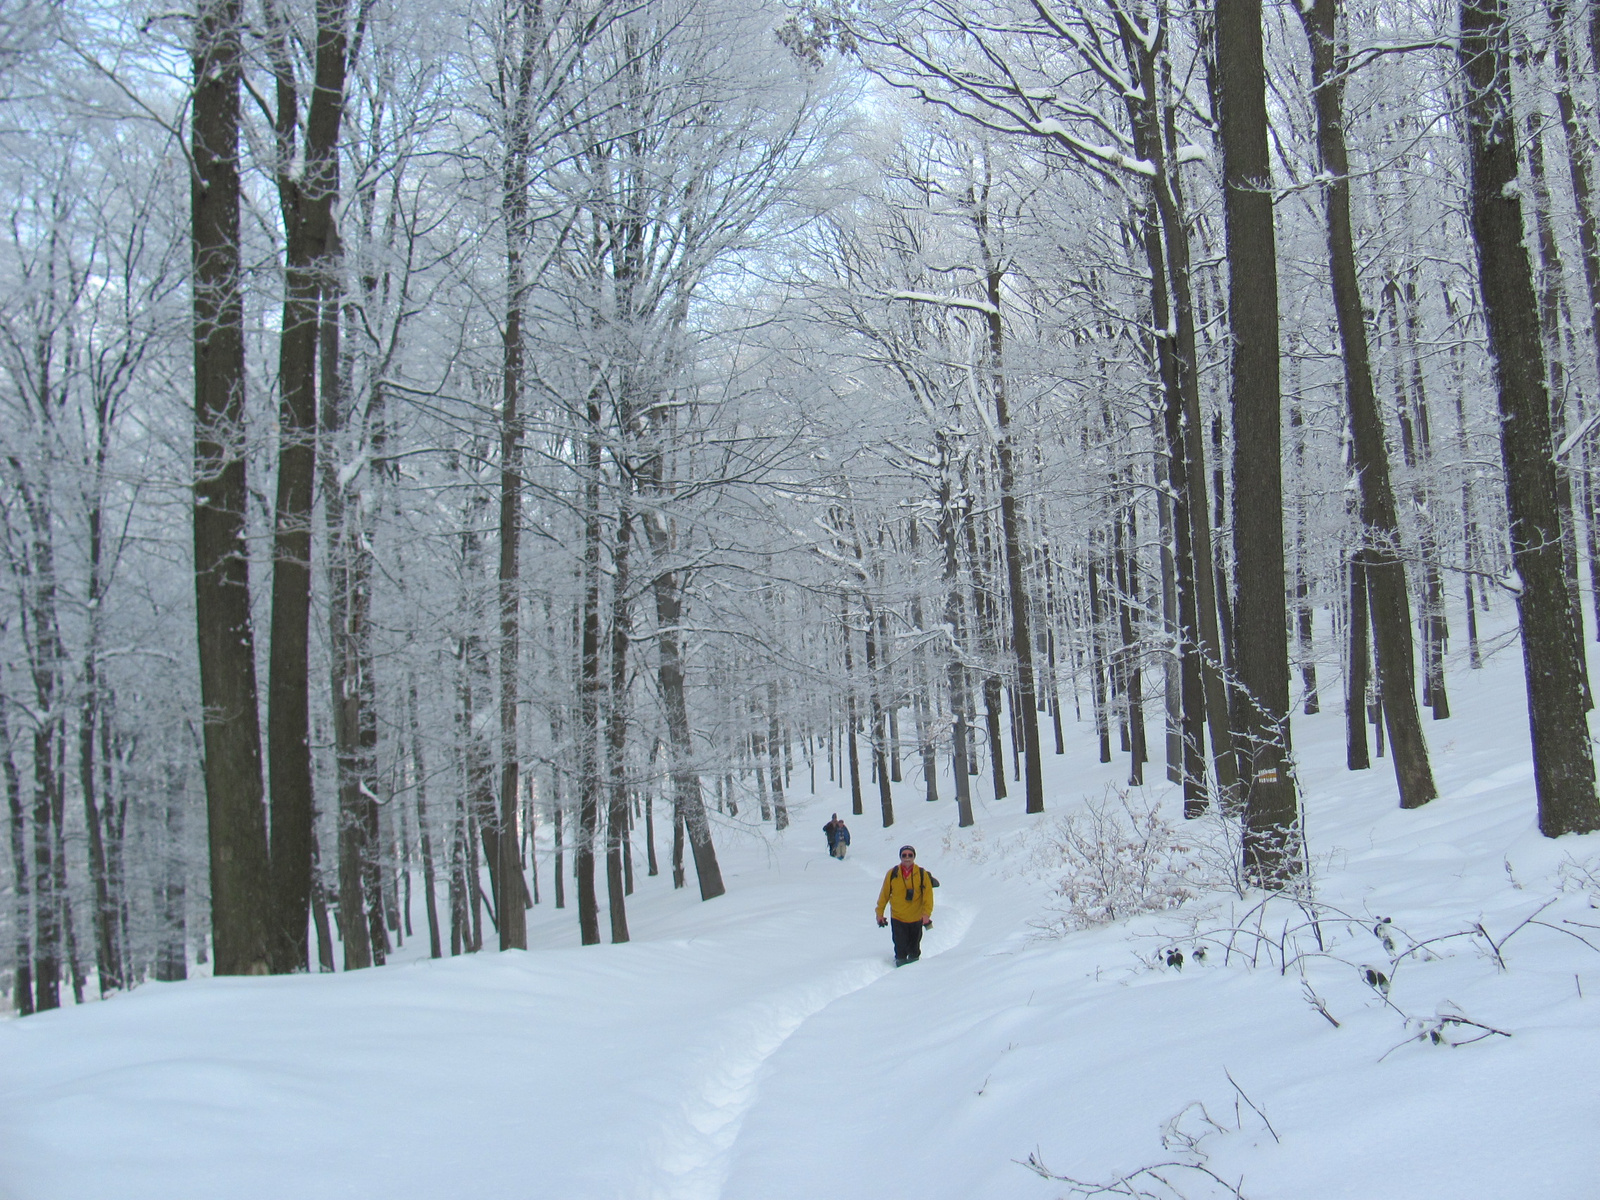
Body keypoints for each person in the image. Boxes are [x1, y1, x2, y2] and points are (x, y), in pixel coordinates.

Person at [876, 845, 934, 965]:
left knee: (914, 949)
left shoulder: (922, 874)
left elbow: (928, 896)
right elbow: (884, 894)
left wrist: (926, 914)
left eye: (910, 855)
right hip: (898, 917)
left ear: (914, 857)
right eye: (904, 855)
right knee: (900, 948)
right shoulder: (892, 873)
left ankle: (913, 973)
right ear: (900, 857)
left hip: (916, 917)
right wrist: (879, 913)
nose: (907, 858)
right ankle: (900, 970)